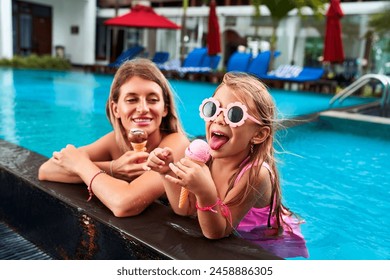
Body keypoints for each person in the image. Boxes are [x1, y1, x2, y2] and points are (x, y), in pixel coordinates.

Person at [146, 72, 308, 258]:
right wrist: (165, 170)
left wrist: (205, 192)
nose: (219, 119)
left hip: (261, 240)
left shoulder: (256, 174)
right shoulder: (205, 157)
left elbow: (217, 232)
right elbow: (185, 209)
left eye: (234, 114)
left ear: (258, 135)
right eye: (213, 109)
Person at [38, 58, 189, 217]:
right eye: (132, 99)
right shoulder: (114, 142)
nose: (143, 108)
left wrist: (81, 164)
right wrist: (112, 168)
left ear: (164, 109)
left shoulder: (176, 144)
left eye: (153, 100)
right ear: (115, 108)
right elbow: (46, 169)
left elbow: (124, 204)